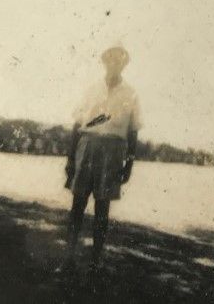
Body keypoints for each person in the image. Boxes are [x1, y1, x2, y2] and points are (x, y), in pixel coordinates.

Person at [64, 45, 140, 275]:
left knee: (102, 207)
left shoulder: (131, 94)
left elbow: (133, 131)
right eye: (110, 60)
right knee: (78, 204)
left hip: (113, 150)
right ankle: (69, 258)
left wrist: (129, 163)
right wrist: (71, 158)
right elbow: (77, 125)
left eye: (119, 61)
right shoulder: (91, 89)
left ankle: (95, 262)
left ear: (124, 65)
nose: (114, 64)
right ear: (104, 62)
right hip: (87, 146)